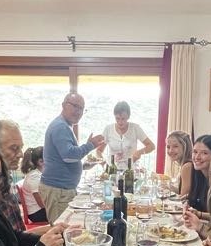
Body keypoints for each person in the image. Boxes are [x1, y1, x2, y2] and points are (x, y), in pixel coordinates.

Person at [39, 92, 105, 223]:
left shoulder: (65, 126)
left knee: (67, 226)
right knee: (61, 229)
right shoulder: (60, 126)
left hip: (61, 188)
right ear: (64, 105)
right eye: (75, 106)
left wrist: (84, 166)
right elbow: (68, 155)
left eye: (81, 108)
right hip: (58, 189)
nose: (78, 111)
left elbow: (64, 158)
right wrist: (90, 145)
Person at [98, 101, 155, 171]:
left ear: (128, 117)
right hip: (112, 169)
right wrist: (103, 162)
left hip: (131, 170)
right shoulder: (108, 129)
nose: (120, 122)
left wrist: (139, 152)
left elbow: (151, 146)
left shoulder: (135, 128)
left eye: (123, 119)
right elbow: (98, 151)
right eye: (117, 118)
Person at [186, 134, 211, 215]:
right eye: (195, 152)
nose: (197, 157)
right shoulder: (197, 173)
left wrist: (199, 214)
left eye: (204, 153)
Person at [20, 146, 46, 223]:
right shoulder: (34, 177)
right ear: (41, 161)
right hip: (37, 213)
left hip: (40, 210)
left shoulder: (38, 173)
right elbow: (42, 204)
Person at [165, 131, 193, 198]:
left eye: (175, 146)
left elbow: (183, 198)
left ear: (185, 147)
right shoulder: (184, 165)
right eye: (168, 147)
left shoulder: (187, 166)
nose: (170, 151)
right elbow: (180, 190)